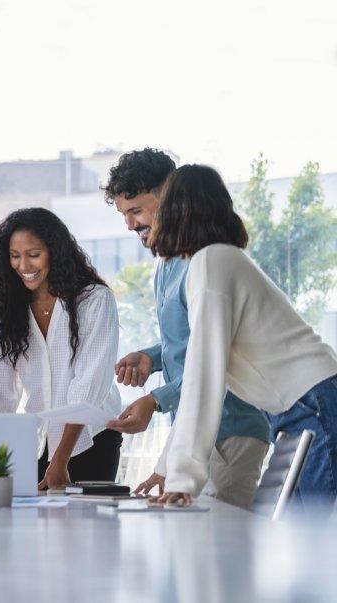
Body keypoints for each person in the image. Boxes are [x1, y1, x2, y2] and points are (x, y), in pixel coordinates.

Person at [147, 164, 337, 509]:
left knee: (310, 538)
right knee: (296, 536)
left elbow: (204, 376)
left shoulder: (211, 263)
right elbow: (200, 377)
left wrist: (181, 479)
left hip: (312, 402)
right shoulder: (221, 259)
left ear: (173, 212)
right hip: (306, 404)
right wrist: (170, 470)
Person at [102, 149, 270, 509]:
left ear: (171, 197)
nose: (130, 225)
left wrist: (155, 400)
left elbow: (213, 359)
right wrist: (151, 358)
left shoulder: (206, 261)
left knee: (220, 550)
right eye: (124, 215)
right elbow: (187, 343)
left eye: (137, 211)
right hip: (195, 433)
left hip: (229, 430)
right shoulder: (166, 264)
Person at [0, 208, 123, 488]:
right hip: (39, 441)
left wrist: (60, 461)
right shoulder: (7, 310)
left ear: (55, 252)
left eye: (34, 255)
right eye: (14, 256)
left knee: (87, 527)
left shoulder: (94, 300)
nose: (24, 265)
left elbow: (88, 387)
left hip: (90, 438)